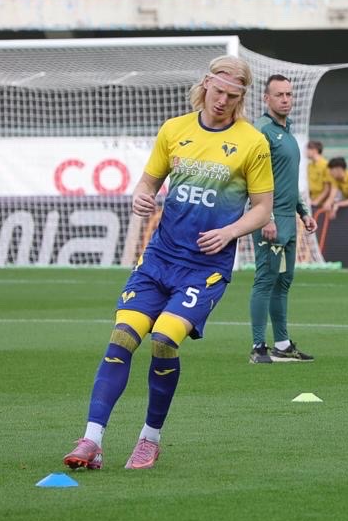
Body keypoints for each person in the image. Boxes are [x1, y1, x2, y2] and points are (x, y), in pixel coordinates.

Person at [62, 55, 274, 471]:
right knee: (122, 336)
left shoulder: (252, 143)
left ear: (241, 98)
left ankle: (149, 439)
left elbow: (263, 208)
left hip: (204, 268)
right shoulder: (174, 130)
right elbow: (147, 183)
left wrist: (230, 232)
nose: (223, 102)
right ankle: (91, 440)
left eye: (232, 97)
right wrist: (141, 197)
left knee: (163, 340)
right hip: (159, 258)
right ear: (206, 85)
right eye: (218, 92)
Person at [248, 75, 318, 365]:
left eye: (289, 94)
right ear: (266, 98)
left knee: (283, 281)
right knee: (265, 280)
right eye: (279, 95)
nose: (286, 99)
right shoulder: (261, 132)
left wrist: (303, 212)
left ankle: (282, 344)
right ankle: (258, 347)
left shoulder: (287, 133)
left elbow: (287, 180)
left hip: (289, 222)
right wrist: (266, 217)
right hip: (271, 222)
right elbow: (255, 180)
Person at [305, 139, 332, 213]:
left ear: (315, 150)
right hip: (312, 202)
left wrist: (316, 202)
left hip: (322, 205)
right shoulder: (309, 166)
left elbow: (327, 189)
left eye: (308, 149)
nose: (306, 152)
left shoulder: (326, 165)